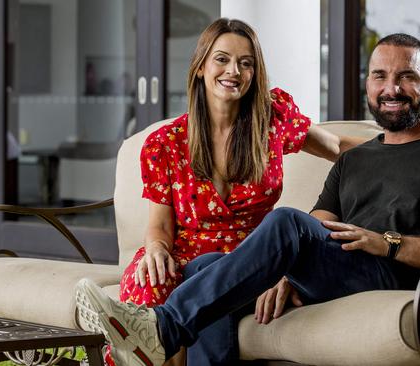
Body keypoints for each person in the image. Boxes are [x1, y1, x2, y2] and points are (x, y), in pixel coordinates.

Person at [75, 33, 420, 366]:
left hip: (401, 273)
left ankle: (162, 328)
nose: (392, 88)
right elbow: (318, 224)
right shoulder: (362, 156)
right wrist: (278, 272)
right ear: (368, 85)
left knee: (285, 222)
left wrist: (389, 242)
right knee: (205, 266)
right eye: (380, 76)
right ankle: (165, 330)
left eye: (406, 76)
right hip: (344, 269)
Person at [106, 18, 362, 366]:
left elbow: (336, 145)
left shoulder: (271, 119)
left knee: (203, 278)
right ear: (200, 67)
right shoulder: (164, 143)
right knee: (151, 282)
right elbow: (161, 226)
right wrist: (154, 248)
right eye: (222, 59)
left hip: (250, 262)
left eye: (246, 63)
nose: (234, 71)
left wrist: (405, 145)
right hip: (185, 254)